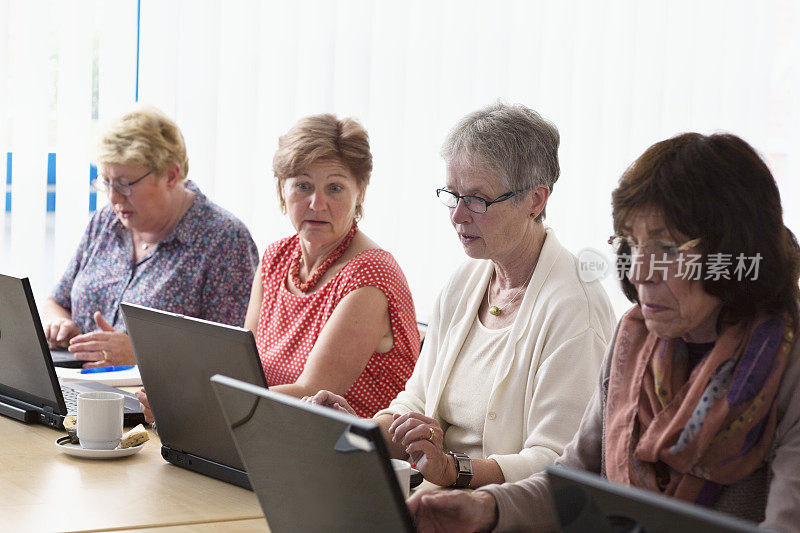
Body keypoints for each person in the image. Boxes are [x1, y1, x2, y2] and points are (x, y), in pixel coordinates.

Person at [408, 132, 800, 532]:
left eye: (666, 251)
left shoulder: (787, 366)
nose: (640, 273)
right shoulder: (635, 341)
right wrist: (486, 509)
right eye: (630, 246)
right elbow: (575, 476)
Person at [308, 102, 617, 489]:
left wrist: (453, 469)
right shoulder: (467, 279)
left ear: (535, 200)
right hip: (435, 498)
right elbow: (415, 407)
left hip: (502, 514)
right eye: (452, 195)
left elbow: (557, 464)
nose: (457, 215)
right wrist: (356, 429)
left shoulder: (575, 308)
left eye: (477, 199)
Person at [42, 106, 259, 367]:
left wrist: (141, 355)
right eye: (107, 182)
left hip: (152, 404)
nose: (113, 197)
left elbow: (231, 359)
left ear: (170, 175)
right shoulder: (106, 222)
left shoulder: (223, 240)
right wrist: (59, 324)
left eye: (124, 184)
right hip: (79, 387)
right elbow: (56, 302)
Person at [240, 113, 420, 418]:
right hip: (274, 434)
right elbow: (244, 371)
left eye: (334, 188)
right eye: (303, 186)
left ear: (360, 191)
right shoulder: (275, 258)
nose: (316, 203)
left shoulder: (372, 274)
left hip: (351, 452)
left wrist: (205, 401)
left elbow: (312, 395)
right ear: (282, 189)